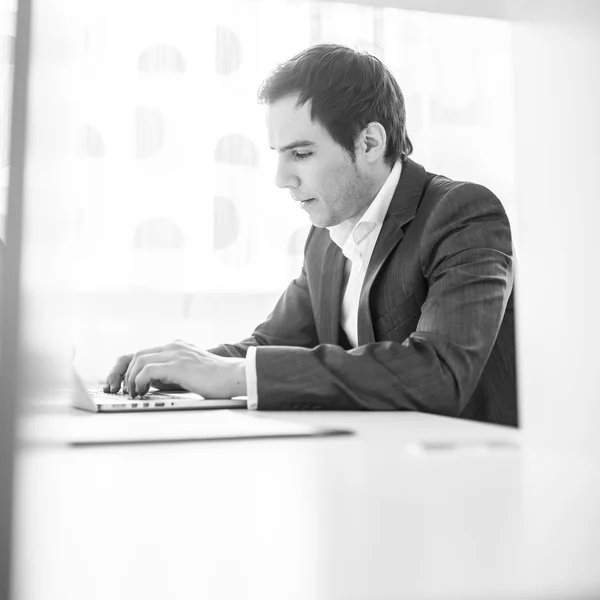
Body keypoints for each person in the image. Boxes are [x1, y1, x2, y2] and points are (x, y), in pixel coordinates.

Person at [103, 44, 517, 426]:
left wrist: (232, 374)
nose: (282, 179)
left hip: (473, 473)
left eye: (301, 154)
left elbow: (440, 373)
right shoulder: (324, 240)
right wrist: (177, 367)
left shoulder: (462, 214)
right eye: (279, 155)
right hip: (374, 464)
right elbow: (270, 345)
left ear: (370, 142)